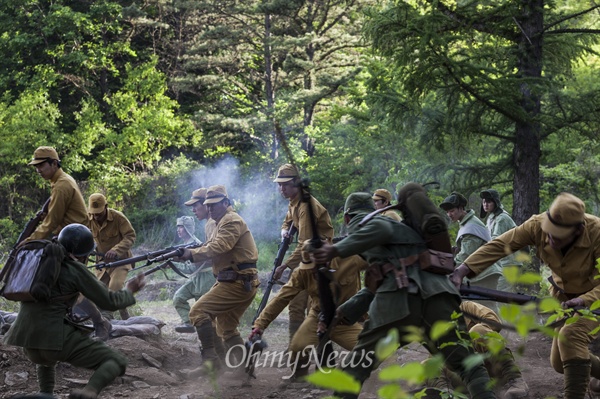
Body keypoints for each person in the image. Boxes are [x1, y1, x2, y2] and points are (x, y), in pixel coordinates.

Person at [311, 192, 495, 399]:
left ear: (347, 217)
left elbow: (381, 232)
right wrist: (344, 312)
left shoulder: (365, 223)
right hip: (439, 297)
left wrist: (334, 250)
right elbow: (377, 284)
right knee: (468, 365)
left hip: (400, 301)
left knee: (357, 367)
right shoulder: (404, 235)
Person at [450, 192, 600, 399]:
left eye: (558, 235)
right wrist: (463, 270)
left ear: (579, 230)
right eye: (549, 232)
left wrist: (584, 300)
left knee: (570, 337)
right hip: (563, 300)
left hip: (594, 300)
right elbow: (499, 245)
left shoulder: (597, 233)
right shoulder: (536, 224)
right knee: (558, 363)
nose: (550, 239)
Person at [3, 223, 146, 399]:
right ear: (84, 254)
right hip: (54, 339)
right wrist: (130, 291)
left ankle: (44, 394)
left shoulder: (38, 261)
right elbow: (109, 302)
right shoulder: (74, 269)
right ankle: (88, 393)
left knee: (46, 361)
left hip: (26, 340)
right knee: (116, 361)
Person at [178, 185, 259, 373]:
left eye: (214, 205)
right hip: (231, 280)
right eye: (208, 205)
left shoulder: (231, 220)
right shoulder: (213, 223)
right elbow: (212, 253)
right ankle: (243, 368)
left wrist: (190, 254)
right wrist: (179, 257)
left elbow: (221, 246)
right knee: (226, 328)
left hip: (238, 282)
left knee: (197, 312)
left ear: (226, 203)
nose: (210, 209)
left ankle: (212, 363)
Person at [250, 254, 367, 382]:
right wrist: (259, 326)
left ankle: (345, 373)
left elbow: (380, 263)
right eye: (309, 266)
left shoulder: (350, 260)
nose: (312, 270)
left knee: (370, 350)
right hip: (317, 317)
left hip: (345, 321)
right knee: (298, 347)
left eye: (316, 266)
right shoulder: (302, 272)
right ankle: (300, 376)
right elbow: (281, 298)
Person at [271, 163, 333, 343]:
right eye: (279, 184)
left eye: (285, 184)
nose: (281, 188)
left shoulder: (306, 206)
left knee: (313, 310)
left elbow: (304, 245)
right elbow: (287, 221)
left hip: (319, 263)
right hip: (305, 261)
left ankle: (319, 353)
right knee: (295, 307)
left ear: (296, 183)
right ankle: (295, 350)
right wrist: (284, 231)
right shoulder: (294, 202)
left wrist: (284, 266)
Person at [426, 301, 529, 399]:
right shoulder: (436, 325)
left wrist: (470, 340)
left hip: (488, 365)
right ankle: (446, 393)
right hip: (463, 375)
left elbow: (493, 321)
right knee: (428, 363)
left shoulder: (466, 307)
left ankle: (515, 379)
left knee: (479, 330)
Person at [440, 192, 500, 311]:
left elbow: (465, 256)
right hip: (481, 272)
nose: (449, 214)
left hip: (485, 274)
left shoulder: (470, 227)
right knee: (482, 308)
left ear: (461, 208)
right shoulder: (467, 222)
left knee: (484, 309)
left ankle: (500, 328)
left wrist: (444, 267)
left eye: (451, 211)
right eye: (447, 212)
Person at [24, 146, 88, 242]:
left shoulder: (61, 186)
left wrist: (29, 241)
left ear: (54, 163)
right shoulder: (62, 179)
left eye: (41, 165)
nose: (38, 170)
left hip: (74, 238)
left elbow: (52, 222)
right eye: (36, 167)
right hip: (72, 234)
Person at [88, 193, 136, 320]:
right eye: (93, 213)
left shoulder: (118, 218)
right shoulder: (88, 220)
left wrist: (116, 250)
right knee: (98, 293)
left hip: (120, 261)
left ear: (106, 207)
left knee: (114, 288)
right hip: (102, 264)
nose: (96, 217)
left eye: (98, 213)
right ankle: (124, 317)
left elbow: (130, 236)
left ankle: (107, 319)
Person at [172, 214, 216, 333]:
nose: (178, 230)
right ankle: (188, 323)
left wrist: (172, 263)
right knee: (178, 298)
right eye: (178, 227)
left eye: (181, 227)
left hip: (206, 279)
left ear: (187, 228)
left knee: (203, 313)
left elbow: (191, 268)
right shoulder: (183, 245)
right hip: (196, 279)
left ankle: (211, 342)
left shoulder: (196, 244)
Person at [479, 189, 522, 292]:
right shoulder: (491, 217)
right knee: (501, 295)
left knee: (500, 294)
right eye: (484, 202)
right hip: (502, 262)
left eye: (489, 202)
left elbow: (494, 240)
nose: (486, 204)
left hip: (509, 263)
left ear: (495, 202)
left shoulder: (502, 218)